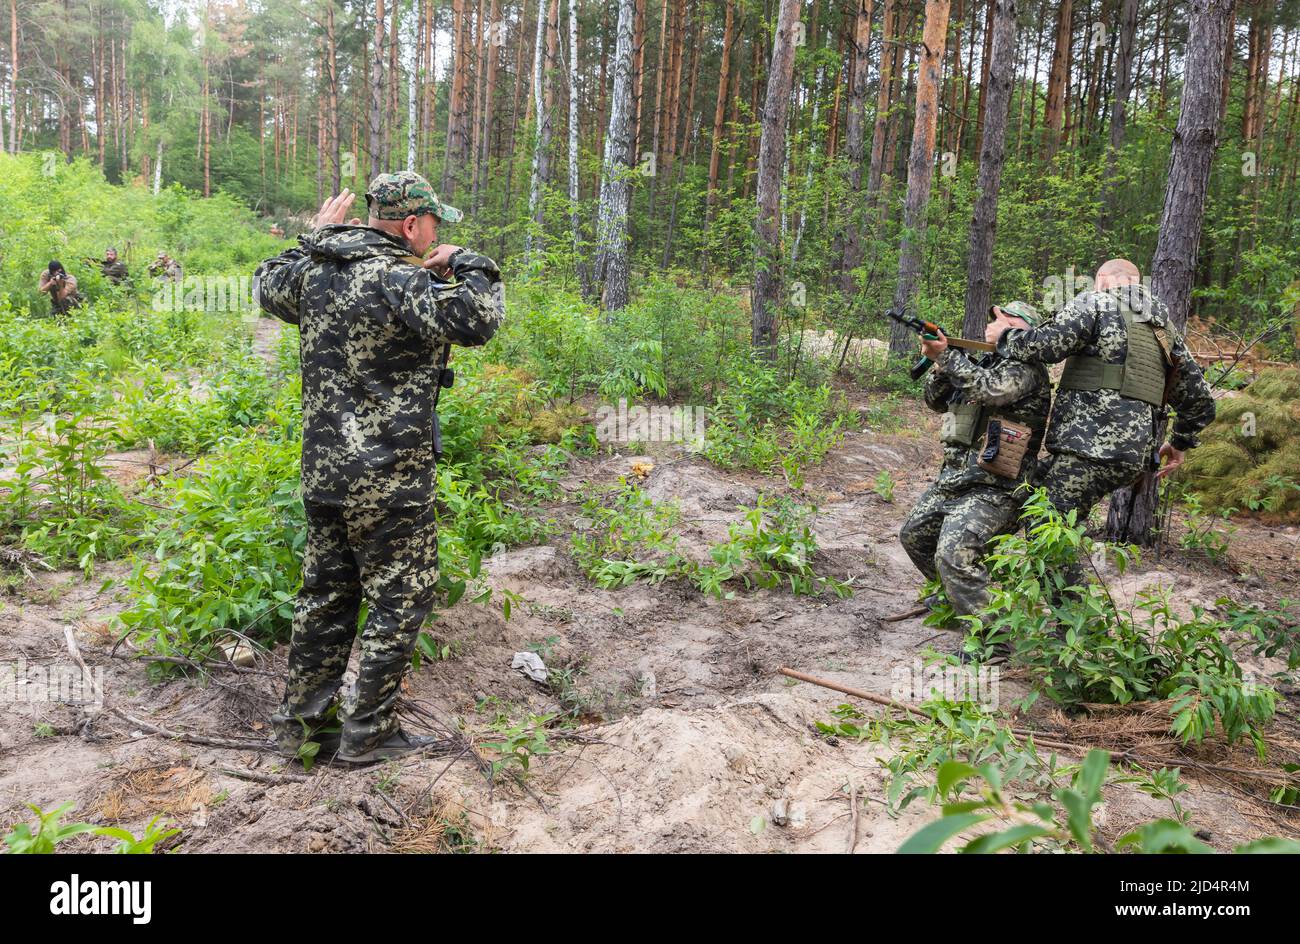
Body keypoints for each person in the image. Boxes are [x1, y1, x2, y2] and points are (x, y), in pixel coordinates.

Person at [253, 171, 504, 765]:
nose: (436, 234)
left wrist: (313, 236)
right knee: (399, 601)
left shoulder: (314, 272)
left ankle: (304, 730)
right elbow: (479, 319)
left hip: (325, 477)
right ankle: (368, 734)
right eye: (434, 226)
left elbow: (268, 284)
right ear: (413, 225)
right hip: (390, 481)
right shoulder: (401, 277)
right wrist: (467, 261)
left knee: (325, 598)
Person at [988, 259, 1216, 588]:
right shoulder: (1163, 330)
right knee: (1027, 488)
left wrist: (1003, 336)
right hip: (1129, 459)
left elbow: (1047, 346)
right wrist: (1179, 444)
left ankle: (1078, 627)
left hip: (1087, 448)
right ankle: (992, 574)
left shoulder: (1095, 302)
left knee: (1048, 527)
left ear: (1102, 279)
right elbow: (1201, 402)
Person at [900, 301, 1052, 625]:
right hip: (955, 480)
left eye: (1004, 317)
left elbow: (988, 391)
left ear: (1024, 330)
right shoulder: (983, 361)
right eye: (994, 315)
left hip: (996, 488)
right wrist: (942, 365)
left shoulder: (1025, 368)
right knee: (914, 535)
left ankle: (988, 637)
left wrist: (947, 356)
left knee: (953, 553)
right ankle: (956, 598)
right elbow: (935, 401)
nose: (993, 321)